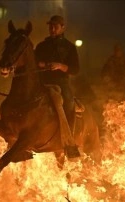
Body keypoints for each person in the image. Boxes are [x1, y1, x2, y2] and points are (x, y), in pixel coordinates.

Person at [35, 15, 80, 158]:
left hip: (61, 82)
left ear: (62, 27)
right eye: (50, 26)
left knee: (69, 102)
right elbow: (34, 62)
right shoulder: (42, 46)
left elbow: (75, 69)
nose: (52, 29)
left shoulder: (69, 47)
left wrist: (60, 66)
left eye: (55, 26)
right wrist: (43, 64)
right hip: (42, 81)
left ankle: (70, 142)